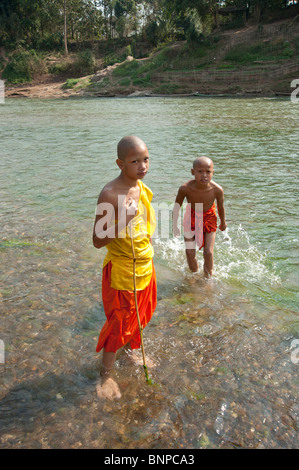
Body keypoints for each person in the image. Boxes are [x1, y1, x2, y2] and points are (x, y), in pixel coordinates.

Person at [92, 135, 157, 400]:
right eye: (135, 161)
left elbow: (145, 227)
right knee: (119, 322)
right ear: (120, 163)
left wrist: (150, 256)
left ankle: (133, 353)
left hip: (144, 264)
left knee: (142, 314)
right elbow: (97, 240)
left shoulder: (141, 187)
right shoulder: (110, 193)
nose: (142, 166)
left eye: (146, 159)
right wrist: (124, 218)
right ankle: (105, 376)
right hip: (121, 271)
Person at [173, 156, 227, 277]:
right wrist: (175, 225)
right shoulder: (185, 188)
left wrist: (223, 222)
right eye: (200, 171)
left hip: (209, 217)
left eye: (208, 172)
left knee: (208, 252)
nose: (204, 175)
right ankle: (194, 275)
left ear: (213, 172)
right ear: (193, 172)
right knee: (190, 251)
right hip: (191, 217)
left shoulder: (217, 190)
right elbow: (177, 206)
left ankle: (208, 278)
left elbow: (221, 207)